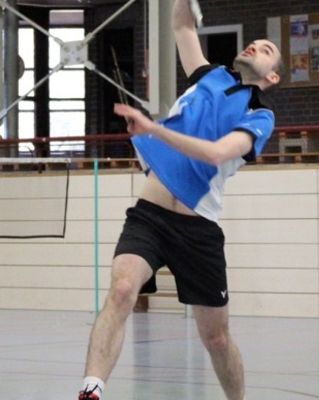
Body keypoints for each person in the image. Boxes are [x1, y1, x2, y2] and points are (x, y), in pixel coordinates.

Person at [78, 1, 282, 399]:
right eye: (254, 42)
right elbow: (183, 26)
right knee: (121, 290)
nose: (255, 46)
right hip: (149, 216)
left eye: (266, 49)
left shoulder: (260, 115)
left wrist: (154, 129)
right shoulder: (208, 76)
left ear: (271, 76)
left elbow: (216, 154)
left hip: (198, 229)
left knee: (216, 337)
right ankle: (91, 388)